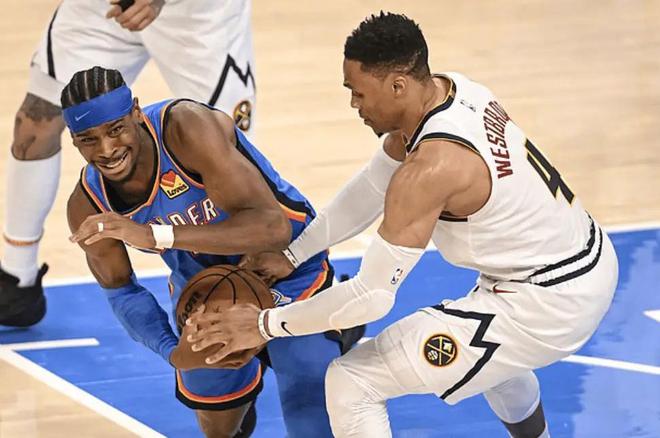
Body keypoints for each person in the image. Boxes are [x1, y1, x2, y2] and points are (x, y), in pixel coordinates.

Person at [186, 12, 619, 438]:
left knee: (352, 381)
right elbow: (370, 188)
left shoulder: (431, 168)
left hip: (550, 301)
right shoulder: (450, 91)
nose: (354, 105)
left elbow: (371, 298)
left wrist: (264, 323)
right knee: (495, 361)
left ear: (397, 86)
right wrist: (294, 254)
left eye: (358, 93)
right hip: (581, 258)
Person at [64, 66, 358, 437]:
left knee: (309, 413)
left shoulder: (185, 128)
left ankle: (334, 330)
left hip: (287, 261)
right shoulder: (87, 205)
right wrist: (172, 351)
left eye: (115, 129)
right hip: (206, 289)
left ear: (136, 112)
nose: (107, 150)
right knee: (219, 427)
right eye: (88, 139)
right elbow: (121, 291)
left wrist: (154, 235)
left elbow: (271, 227)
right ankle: (257, 375)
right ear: (73, 140)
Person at [0, 0, 256, 327]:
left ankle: (247, 279)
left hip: (196, 15)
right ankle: (17, 278)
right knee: (35, 123)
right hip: (102, 8)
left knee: (222, 146)